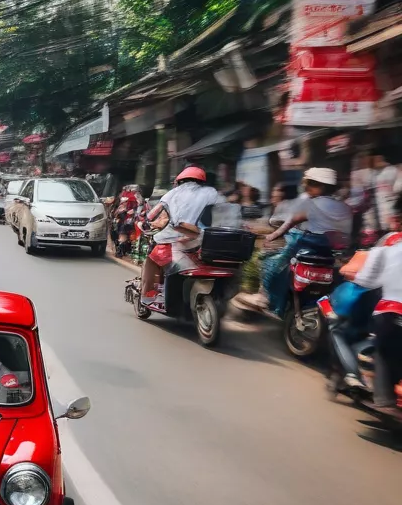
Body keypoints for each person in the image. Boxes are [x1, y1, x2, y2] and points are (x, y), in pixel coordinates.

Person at [237, 168, 353, 315]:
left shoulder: (311, 204)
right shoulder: (344, 207)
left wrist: (272, 236)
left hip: (311, 248)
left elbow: (289, 223)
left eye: (309, 184)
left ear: (320, 186)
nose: (306, 188)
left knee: (271, 260)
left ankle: (264, 296)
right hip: (333, 254)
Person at [142, 166, 222, 298]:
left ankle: (147, 294)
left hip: (171, 241)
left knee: (150, 260)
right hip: (203, 242)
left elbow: (151, 216)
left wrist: (148, 221)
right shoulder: (211, 192)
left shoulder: (171, 194)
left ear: (179, 181)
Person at [346, 233, 402, 415]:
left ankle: (385, 401)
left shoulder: (386, 251)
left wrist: (350, 276)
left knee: (383, 351)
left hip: (393, 311)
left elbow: (366, 280)